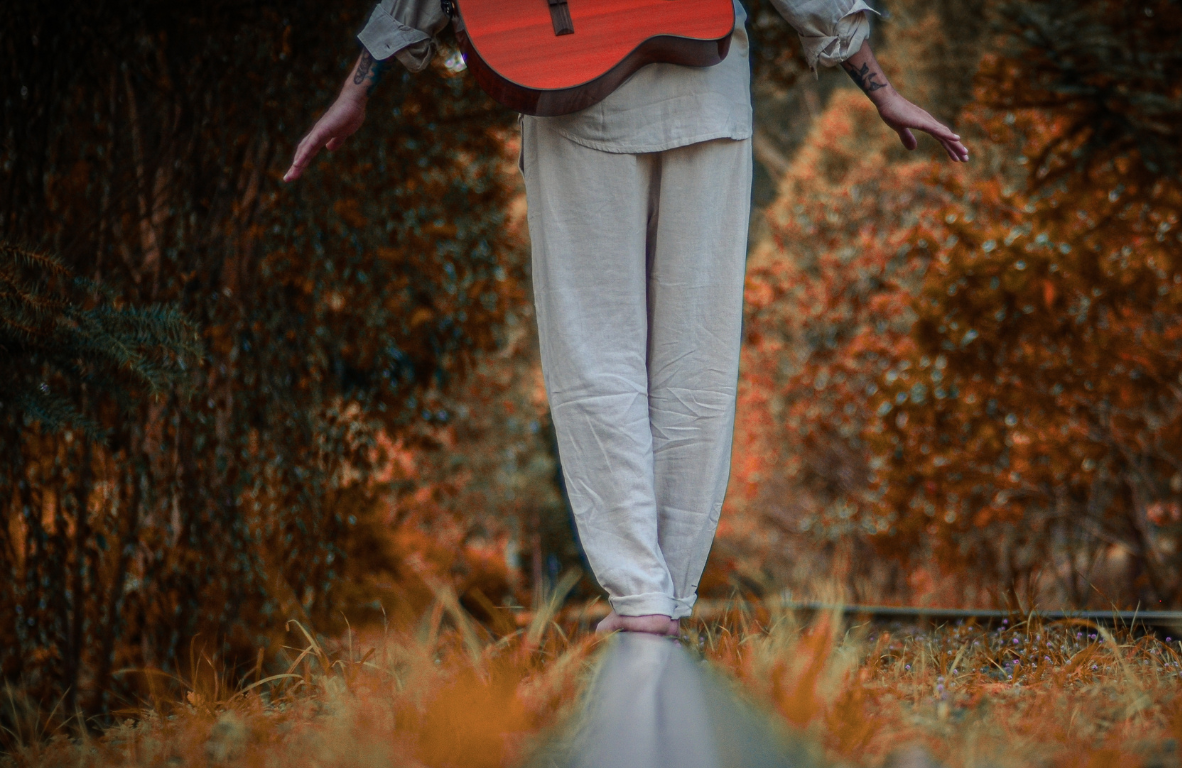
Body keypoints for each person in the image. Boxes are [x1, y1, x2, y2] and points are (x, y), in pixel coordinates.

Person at [285, 0, 968, 638]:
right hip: (697, 100)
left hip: (572, 85)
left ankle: (643, 595)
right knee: (695, 359)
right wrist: (878, 87)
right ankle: (663, 594)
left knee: (595, 354)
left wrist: (358, 86)